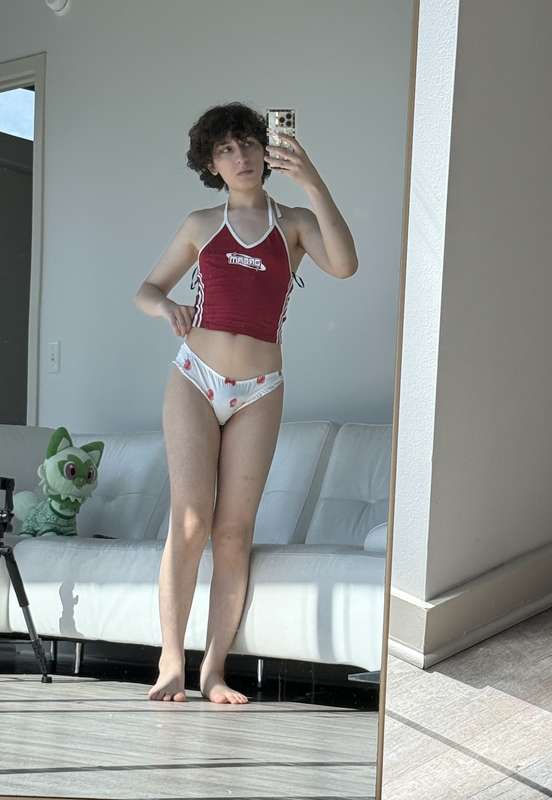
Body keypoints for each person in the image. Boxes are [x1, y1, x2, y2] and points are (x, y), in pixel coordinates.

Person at [133, 102, 358, 704]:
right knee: (190, 521)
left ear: (266, 149)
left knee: (233, 533)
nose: (242, 157)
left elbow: (345, 264)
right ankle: (171, 661)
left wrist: (311, 179)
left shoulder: (296, 224)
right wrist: (167, 307)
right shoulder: (201, 224)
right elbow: (146, 289)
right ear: (211, 163)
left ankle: (214, 671)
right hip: (195, 378)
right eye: (226, 150)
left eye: (250, 144)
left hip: (260, 390)